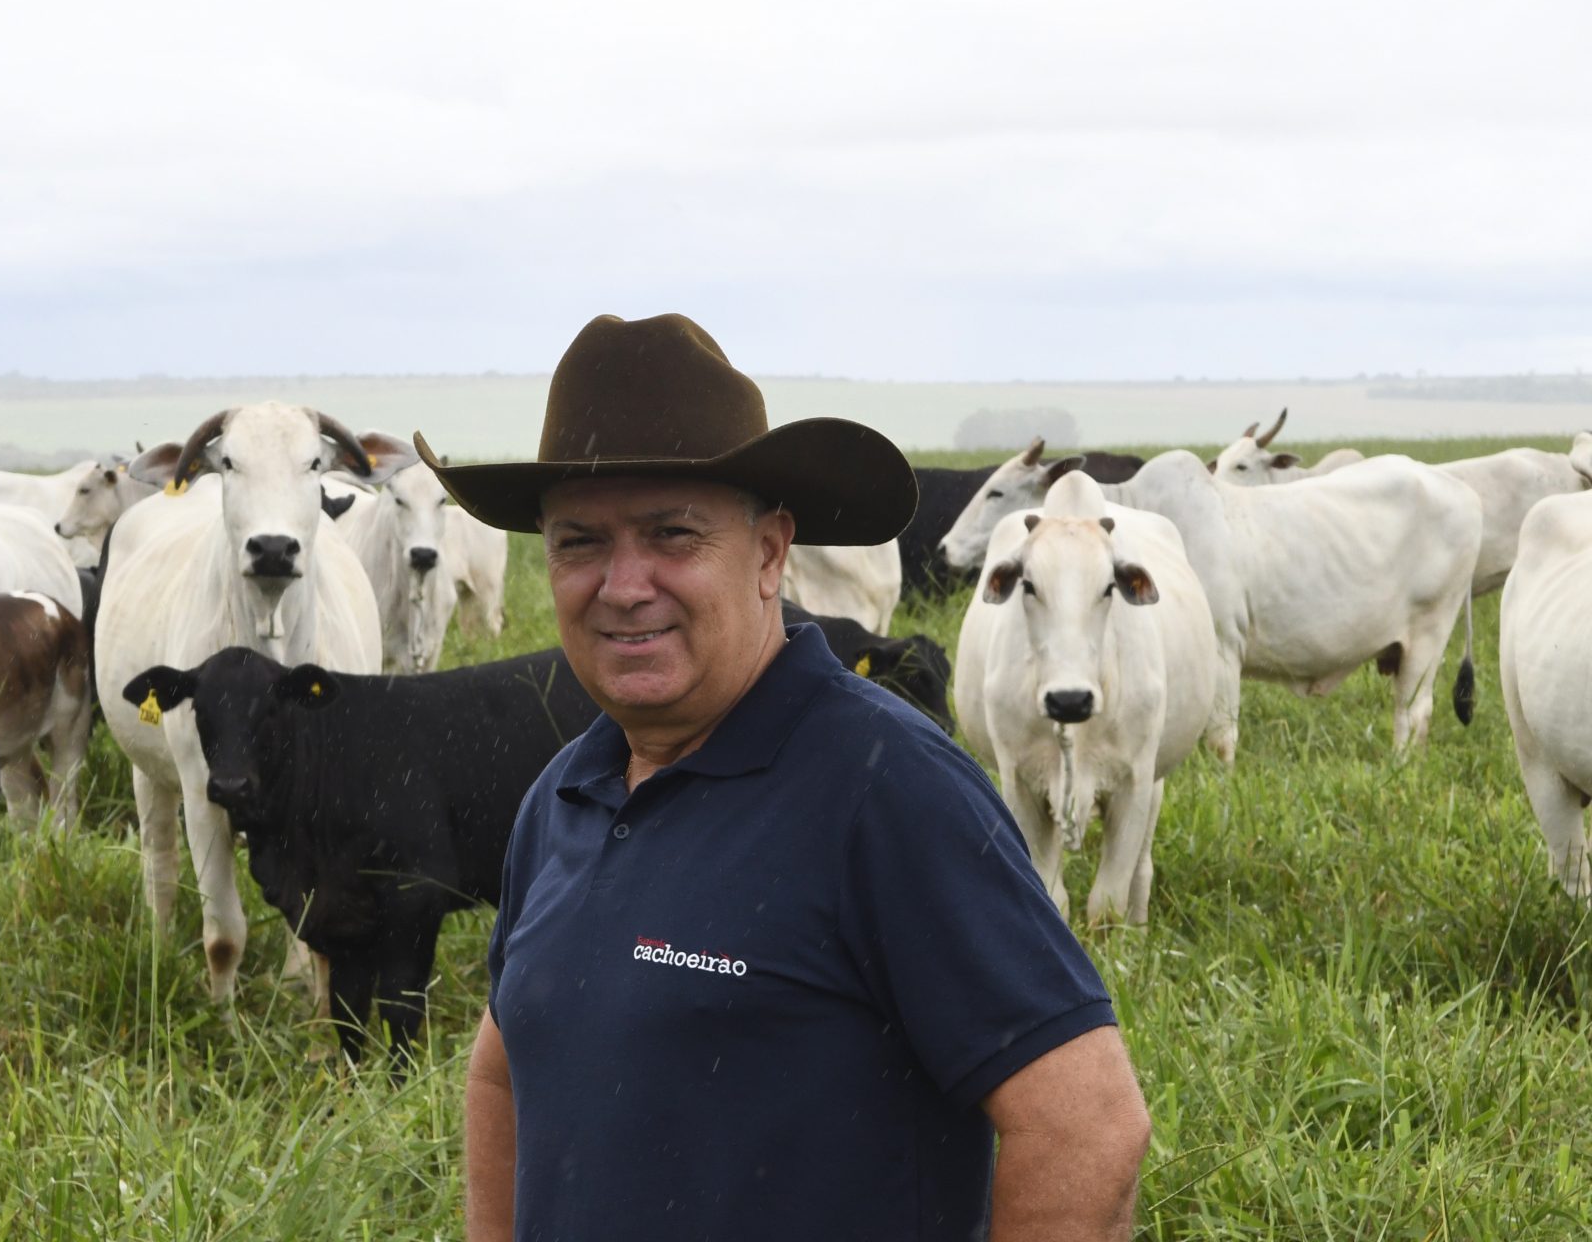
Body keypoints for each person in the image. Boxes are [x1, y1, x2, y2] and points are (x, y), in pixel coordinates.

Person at [416, 313, 1151, 1242]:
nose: (624, 583)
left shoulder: (884, 790)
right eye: (580, 543)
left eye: (673, 535)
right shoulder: (564, 793)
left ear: (770, 552)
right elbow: (504, 1066)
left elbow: (1087, 1125)